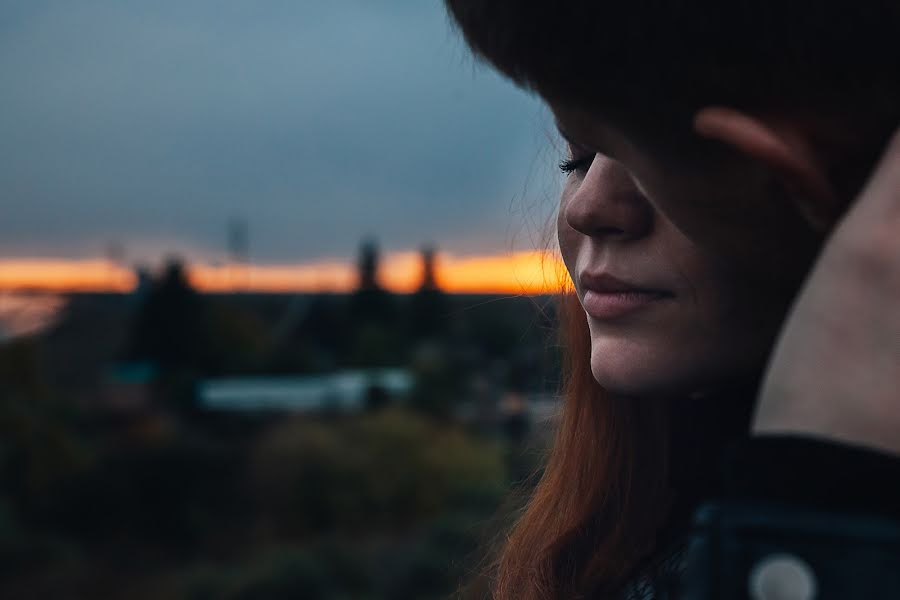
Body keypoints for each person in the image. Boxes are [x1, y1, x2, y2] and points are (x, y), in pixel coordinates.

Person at [443, 2, 900, 599]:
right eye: (576, 158)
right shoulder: (625, 531)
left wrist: (814, 522)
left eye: (651, 159)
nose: (587, 208)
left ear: (801, 174)